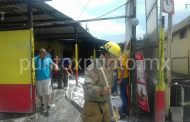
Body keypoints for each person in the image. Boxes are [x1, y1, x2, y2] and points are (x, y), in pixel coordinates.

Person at [82, 41, 121, 122]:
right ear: (107, 55)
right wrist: (101, 91)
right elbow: (87, 87)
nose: (115, 61)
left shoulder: (109, 67)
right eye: (114, 58)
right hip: (93, 108)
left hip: (105, 104)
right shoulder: (94, 67)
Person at [35, 49, 58, 115]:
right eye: (43, 54)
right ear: (39, 53)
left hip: (47, 79)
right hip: (38, 79)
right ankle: (42, 103)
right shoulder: (35, 59)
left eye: (45, 54)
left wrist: (56, 66)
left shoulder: (48, 59)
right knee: (40, 93)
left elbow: (54, 64)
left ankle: (48, 105)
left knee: (47, 92)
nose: (44, 55)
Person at [118, 43, 130, 119]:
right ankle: (125, 111)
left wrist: (121, 79)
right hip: (126, 77)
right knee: (125, 95)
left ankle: (124, 112)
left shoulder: (122, 57)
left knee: (122, 95)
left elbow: (122, 69)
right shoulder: (125, 55)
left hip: (124, 78)